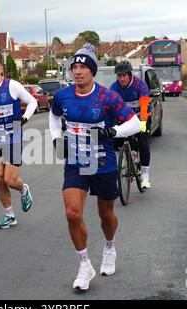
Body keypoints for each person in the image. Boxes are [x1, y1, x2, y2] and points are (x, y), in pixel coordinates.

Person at [49, 43, 141, 291]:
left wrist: (114, 131)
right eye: (74, 67)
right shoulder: (62, 96)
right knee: (72, 213)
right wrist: (57, 138)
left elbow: (135, 123)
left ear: (92, 71)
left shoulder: (108, 97)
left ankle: (109, 247)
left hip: (102, 162)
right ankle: (85, 264)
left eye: (83, 67)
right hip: (76, 162)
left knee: (105, 213)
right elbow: (54, 116)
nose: (78, 72)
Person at [0, 55, 37, 229]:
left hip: (14, 135)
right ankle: (9, 215)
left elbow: (32, 101)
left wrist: (25, 117)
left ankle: (23, 189)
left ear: (1, 69)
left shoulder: (12, 86)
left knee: (9, 180)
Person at [110, 60, 152, 188]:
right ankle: (130, 154)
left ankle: (145, 175)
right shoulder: (114, 87)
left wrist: (143, 122)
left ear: (130, 75)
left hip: (142, 117)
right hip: (125, 118)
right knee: (114, 136)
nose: (121, 79)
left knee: (143, 143)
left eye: (124, 76)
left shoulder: (140, 85)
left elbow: (144, 104)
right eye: (119, 76)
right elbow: (111, 107)